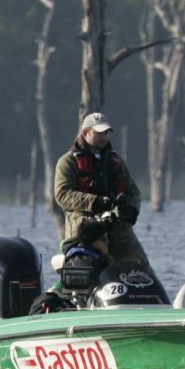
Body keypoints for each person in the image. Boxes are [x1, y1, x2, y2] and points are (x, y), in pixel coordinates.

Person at [54, 111, 156, 284]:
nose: (104, 137)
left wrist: (131, 209)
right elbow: (62, 194)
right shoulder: (68, 161)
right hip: (84, 225)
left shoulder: (116, 161)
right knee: (100, 259)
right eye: (99, 133)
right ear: (86, 133)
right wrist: (96, 202)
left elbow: (133, 192)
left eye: (106, 132)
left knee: (137, 260)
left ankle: (140, 297)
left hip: (115, 222)